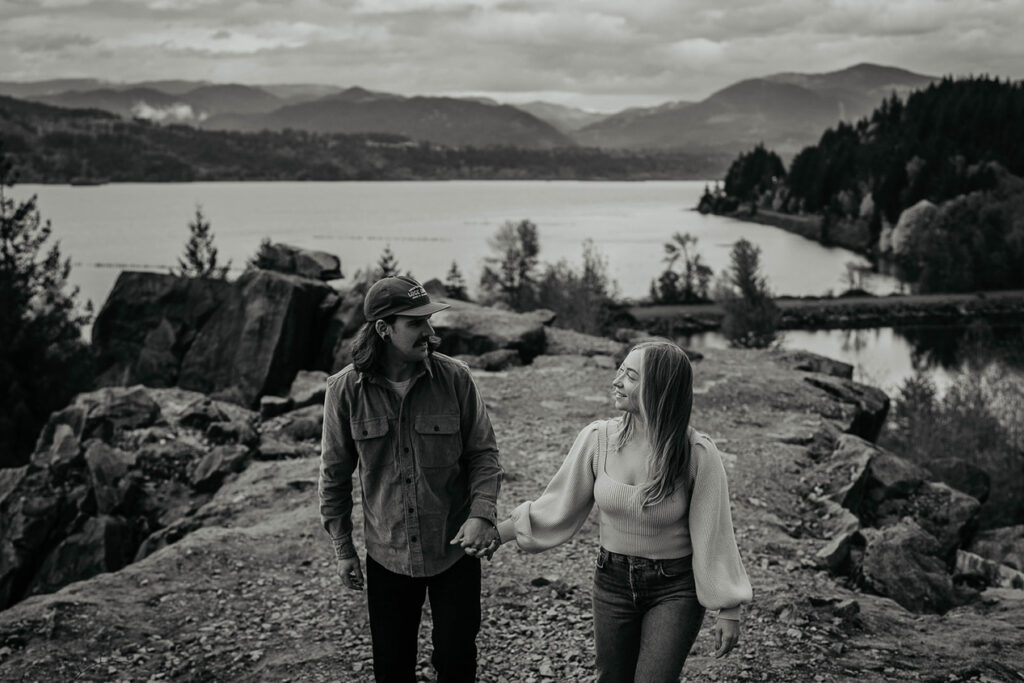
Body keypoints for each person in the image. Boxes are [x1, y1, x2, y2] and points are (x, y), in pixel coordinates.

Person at [490, 338, 751, 682]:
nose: (616, 382)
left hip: (674, 589)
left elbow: (714, 534)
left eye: (629, 376)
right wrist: (497, 534)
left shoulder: (697, 453)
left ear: (657, 388)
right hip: (611, 580)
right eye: (620, 372)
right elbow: (556, 505)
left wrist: (729, 607)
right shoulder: (598, 438)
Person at [318, 275, 503, 683]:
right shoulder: (344, 390)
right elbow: (333, 474)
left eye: (429, 321)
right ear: (384, 329)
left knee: (457, 661)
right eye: (416, 323)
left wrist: (482, 515)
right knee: (392, 666)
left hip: (454, 551)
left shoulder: (455, 378)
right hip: (387, 555)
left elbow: (484, 455)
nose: (429, 331)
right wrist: (343, 547)